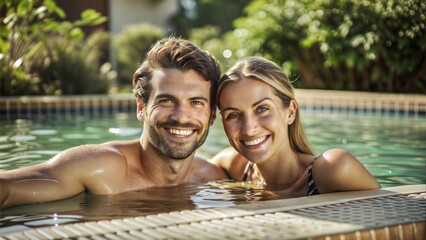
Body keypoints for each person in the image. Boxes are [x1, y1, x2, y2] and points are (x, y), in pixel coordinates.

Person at [0, 37, 227, 209]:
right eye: (166, 100)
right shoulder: (101, 168)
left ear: (212, 116)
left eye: (196, 102)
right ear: (141, 107)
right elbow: (7, 190)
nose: (181, 116)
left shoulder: (210, 179)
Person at [210, 56, 380, 197]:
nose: (248, 129)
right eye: (233, 115)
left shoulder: (334, 168)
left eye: (262, 109)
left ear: (290, 112)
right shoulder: (235, 165)